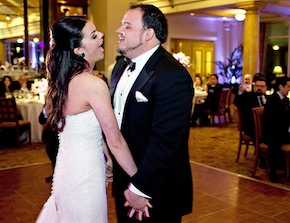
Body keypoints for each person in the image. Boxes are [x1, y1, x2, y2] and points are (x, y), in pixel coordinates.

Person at [36, 15, 138, 223]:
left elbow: (81, 126)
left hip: (66, 171)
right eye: (93, 35)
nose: (101, 35)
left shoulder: (60, 83)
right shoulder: (92, 84)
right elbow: (116, 140)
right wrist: (140, 181)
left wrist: (106, 155)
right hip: (85, 177)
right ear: (78, 50)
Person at [110, 4, 193, 223]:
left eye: (127, 26)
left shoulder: (173, 75)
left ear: (148, 34)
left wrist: (140, 187)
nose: (119, 30)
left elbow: (166, 141)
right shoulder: (119, 67)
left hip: (157, 189)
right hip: (123, 180)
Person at [262, 76, 290, 182]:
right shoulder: (272, 101)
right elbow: (272, 122)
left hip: (282, 130)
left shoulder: (286, 100)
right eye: (288, 87)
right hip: (272, 133)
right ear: (280, 87)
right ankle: (273, 172)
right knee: (276, 140)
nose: (289, 89)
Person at [38, 104, 58, 183]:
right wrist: (46, 109)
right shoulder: (49, 103)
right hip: (51, 133)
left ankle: (57, 175)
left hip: (62, 132)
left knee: (55, 151)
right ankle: (55, 174)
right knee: (50, 150)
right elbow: (41, 120)